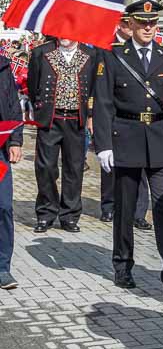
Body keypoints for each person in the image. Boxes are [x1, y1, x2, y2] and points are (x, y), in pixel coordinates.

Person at [93, 0, 163, 298]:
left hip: (161, 140)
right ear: (130, 24)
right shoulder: (112, 56)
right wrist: (104, 145)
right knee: (125, 210)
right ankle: (122, 265)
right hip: (126, 138)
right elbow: (103, 103)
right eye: (142, 22)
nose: (148, 27)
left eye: (152, 23)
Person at [27, 37, 96, 233]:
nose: (65, 34)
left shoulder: (90, 54)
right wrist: (40, 110)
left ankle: (70, 215)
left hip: (76, 119)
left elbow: (93, 88)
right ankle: (46, 212)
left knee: (74, 169)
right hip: (51, 118)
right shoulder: (42, 53)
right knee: (45, 167)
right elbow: (33, 86)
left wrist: (90, 115)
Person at [97, 12, 152, 230]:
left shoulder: (145, 51)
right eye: (125, 23)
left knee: (141, 170)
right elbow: (99, 86)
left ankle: (139, 212)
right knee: (110, 166)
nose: (129, 27)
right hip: (115, 118)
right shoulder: (108, 49)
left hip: (140, 121)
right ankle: (109, 205)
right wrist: (94, 115)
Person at [0, 52, 23, 290]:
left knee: (3, 205)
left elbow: (13, 105)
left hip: (0, 146)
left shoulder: (3, 66)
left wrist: (15, 140)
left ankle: (2, 267)